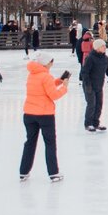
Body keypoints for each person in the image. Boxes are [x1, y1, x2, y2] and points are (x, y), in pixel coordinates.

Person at [19, 52, 68, 182]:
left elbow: (44, 87)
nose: (52, 64)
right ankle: (53, 172)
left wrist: (58, 81)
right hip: (45, 115)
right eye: (51, 62)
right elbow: (54, 95)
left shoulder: (32, 75)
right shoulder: (45, 77)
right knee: (50, 144)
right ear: (46, 63)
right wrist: (64, 87)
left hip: (29, 114)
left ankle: (23, 171)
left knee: (30, 142)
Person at [81, 38, 108, 132]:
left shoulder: (105, 58)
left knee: (99, 104)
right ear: (97, 47)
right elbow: (84, 73)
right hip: (89, 85)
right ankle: (88, 124)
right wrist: (88, 85)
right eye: (103, 46)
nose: (105, 47)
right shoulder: (90, 58)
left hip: (99, 85)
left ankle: (96, 123)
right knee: (91, 104)